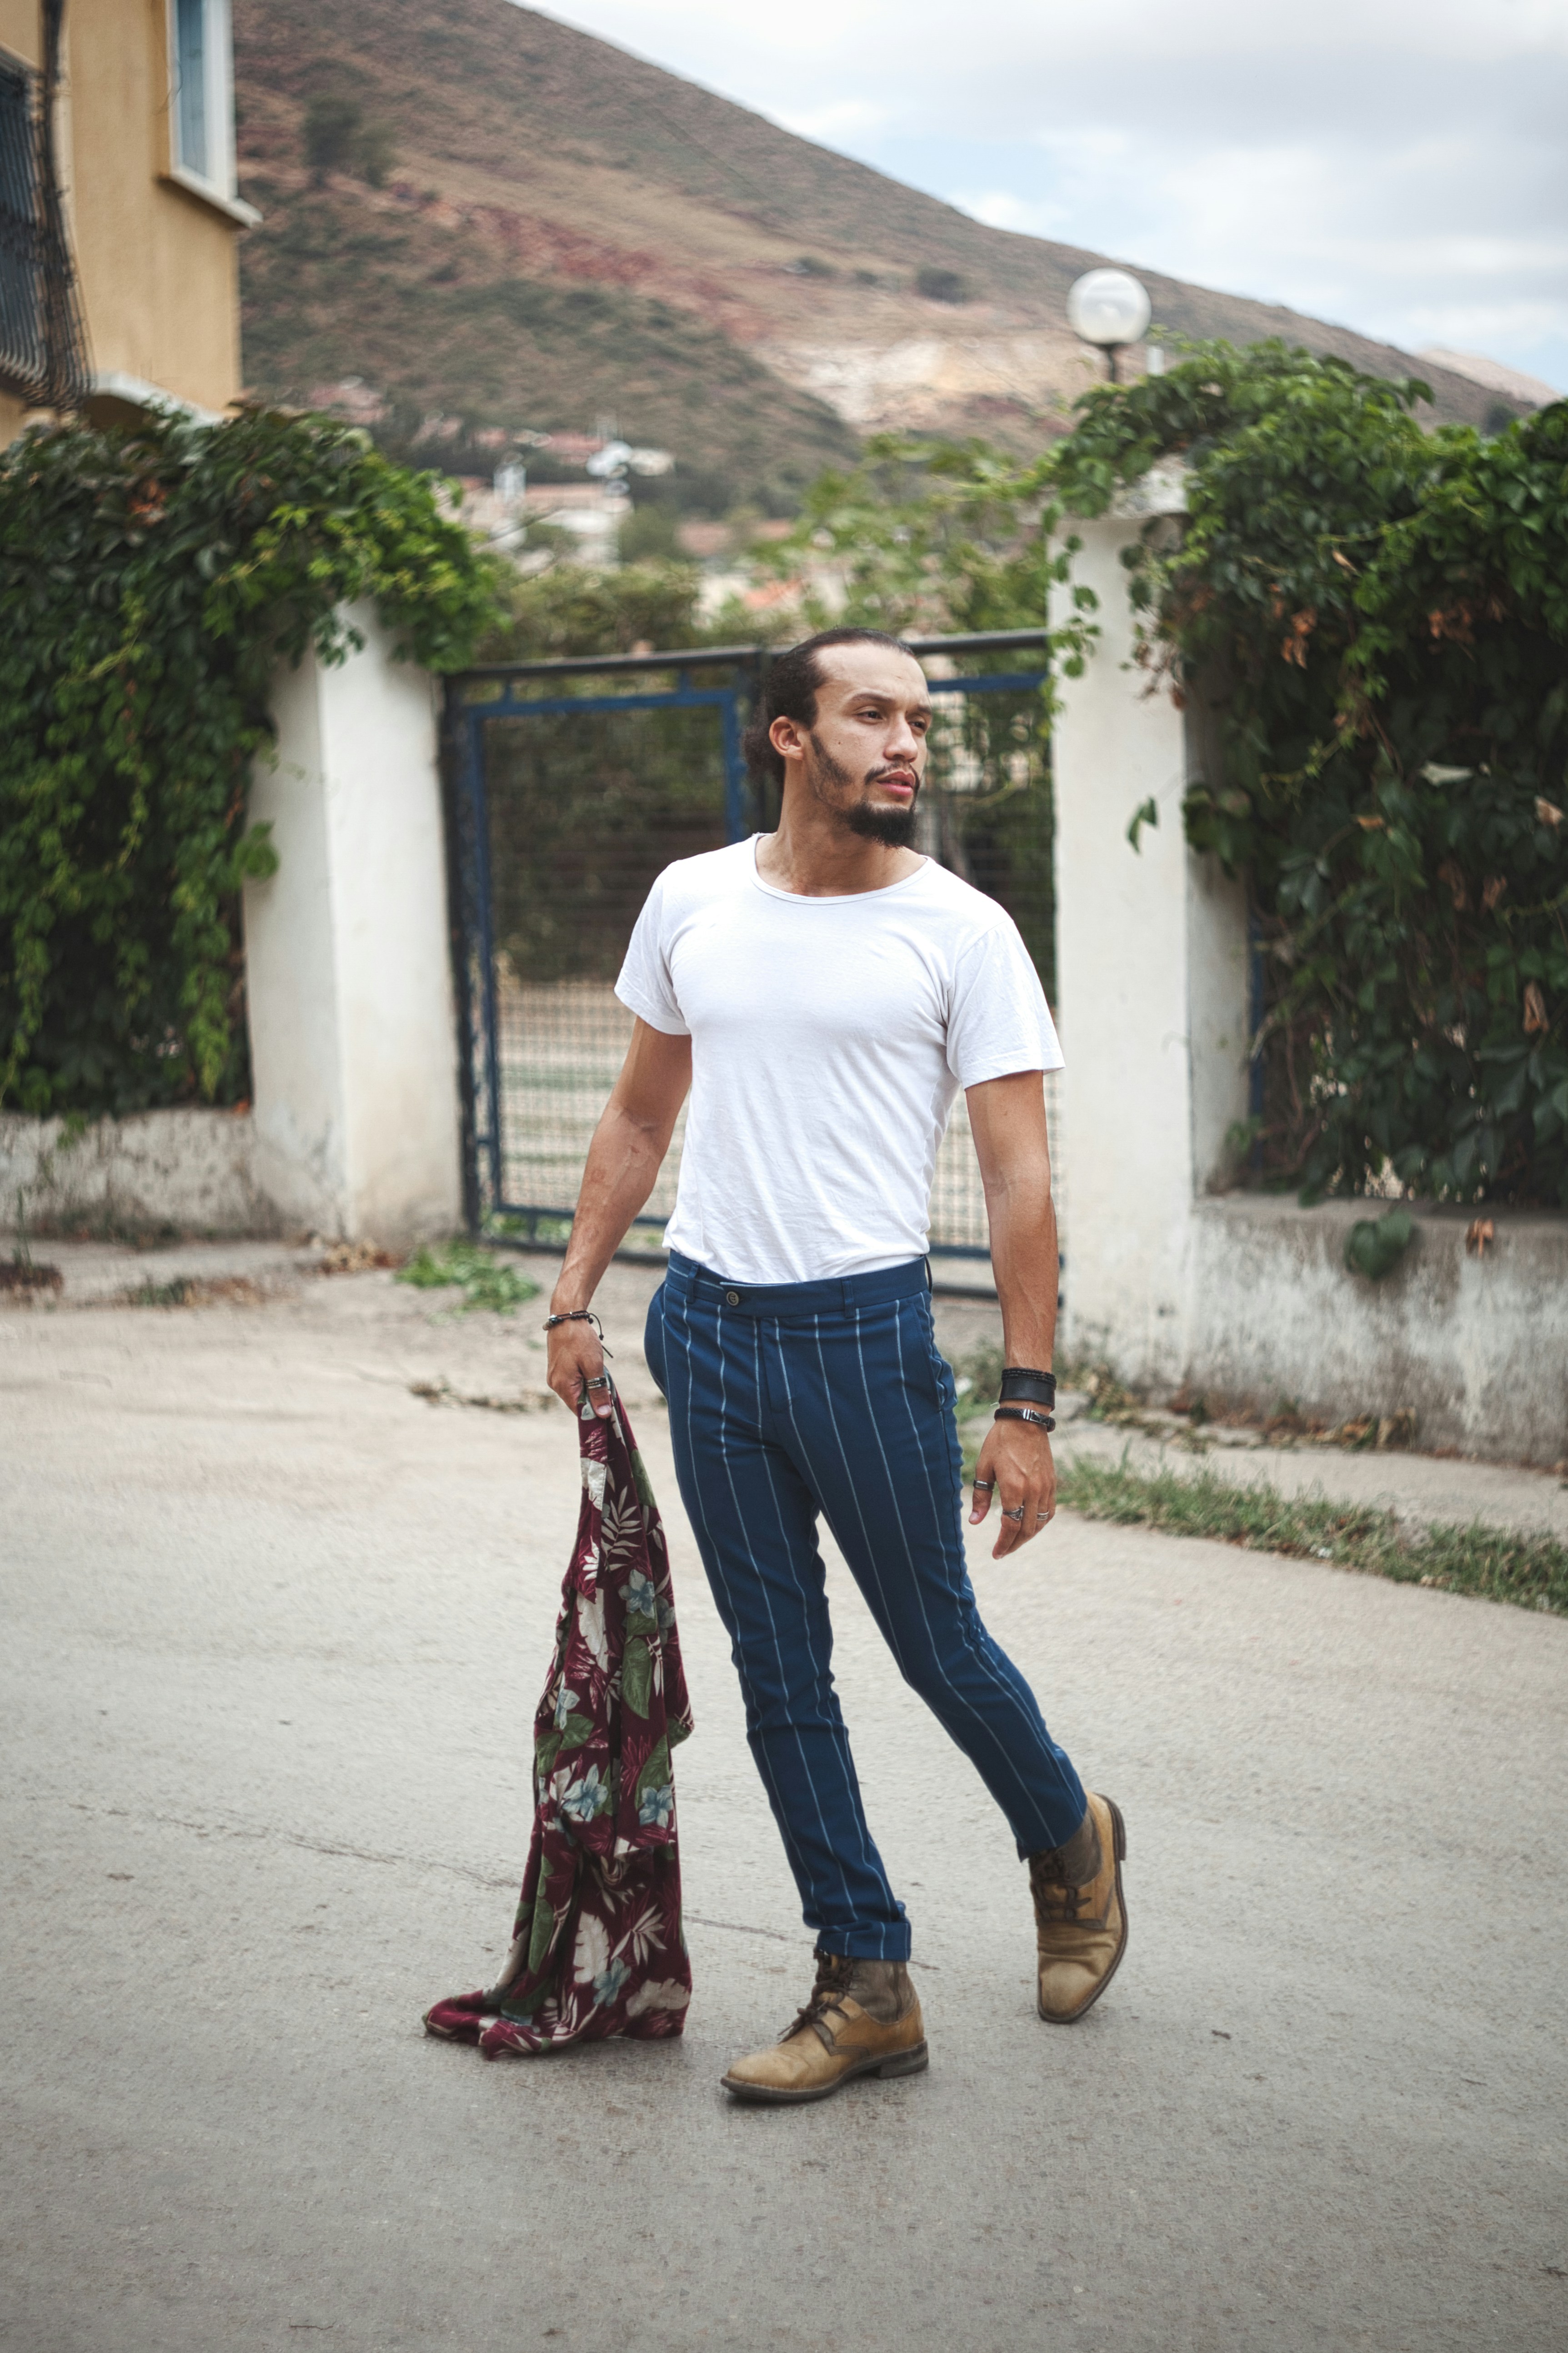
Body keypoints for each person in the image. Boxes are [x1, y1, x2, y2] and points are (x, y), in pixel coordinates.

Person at [544, 627, 1127, 2106]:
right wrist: (572, 1301)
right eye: (872, 715)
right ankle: (864, 1978)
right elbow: (635, 1116)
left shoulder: (960, 931)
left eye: (918, 719)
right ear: (787, 735)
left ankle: (1069, 1840)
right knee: (779, 1676)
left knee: (936, 1647)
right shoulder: (692, 901)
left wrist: (1025, 1404)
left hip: (864, 1341)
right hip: (710, 1329)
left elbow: (1016, 1185)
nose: (906, 744)